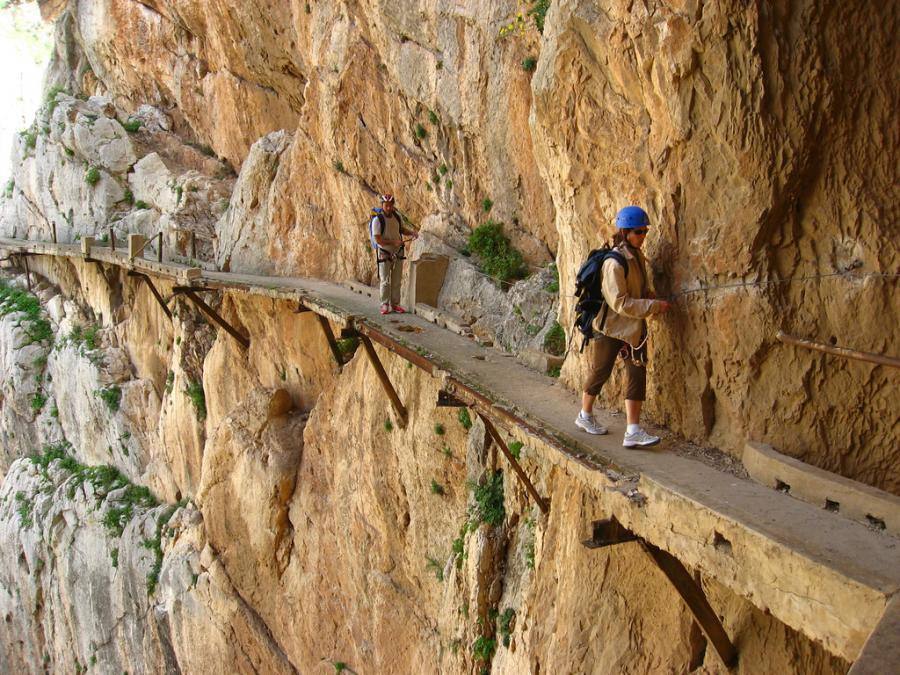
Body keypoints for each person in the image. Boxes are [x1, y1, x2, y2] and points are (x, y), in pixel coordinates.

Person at [575, 206, 671, 447]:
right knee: (601, 371)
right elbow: (619, 302)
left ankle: (633, 430)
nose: (643, 236)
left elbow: (635, 289)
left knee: (637, 373)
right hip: (610, 328)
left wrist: (648, 295)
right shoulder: (614, 263)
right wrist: (652, 306)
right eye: (639, 232)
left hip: (633, 329)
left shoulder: (636, 255)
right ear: (626, 232)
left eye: (645, 232)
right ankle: (585, 415)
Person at [370, 193, 417, 315]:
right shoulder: (377, 220)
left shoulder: (397, 217)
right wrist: (393, 242)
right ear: (382, 205)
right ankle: (384, 304)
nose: (389, 208)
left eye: (390, 205)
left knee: (396, 280)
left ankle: (395, 304)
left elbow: (401, 230)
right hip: (385, 253)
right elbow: (378, 240)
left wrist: (412, 233)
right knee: (385, 280)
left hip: (398, 251)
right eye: (386, 205)